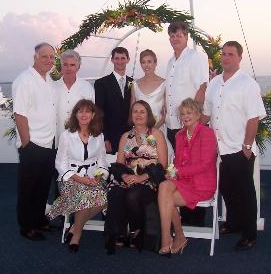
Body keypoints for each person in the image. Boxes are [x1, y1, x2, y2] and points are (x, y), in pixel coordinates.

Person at [202, 40, 266, 251]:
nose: (226, 57)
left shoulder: (248, 84)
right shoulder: (214, 83)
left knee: (245, 193)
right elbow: (206, 113)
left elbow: (253, 119)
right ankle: (233, 223)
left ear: (239, 57)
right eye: (224, 54)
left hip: (239, 149)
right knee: (227, 190)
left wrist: (246, 147)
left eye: (230, 54)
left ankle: (249, 235)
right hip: (219, 149)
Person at [104, 100, 168, 254]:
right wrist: (125, 175)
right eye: (135, 111)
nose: (138, 115)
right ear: (131, 115)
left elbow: (163, 165)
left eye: (142, 112)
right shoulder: (126, 136)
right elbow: (119, 164)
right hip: (128, 178)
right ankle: (119, 232)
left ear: (148, 115)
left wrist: (142, 178)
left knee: (133, 195)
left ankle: (137, 230)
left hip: (150, 179)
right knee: (115, 192)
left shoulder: (157, 134)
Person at [47, 99, 108, 253]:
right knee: (84, 196)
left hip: (92, 178)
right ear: (75, 114)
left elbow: (102, 162)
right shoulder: (66, 135)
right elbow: (60, 163)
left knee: (105, 199)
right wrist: (79, 178)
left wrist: (99, 176)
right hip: (70, 179)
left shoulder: (99, 135)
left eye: (87, 111)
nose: (83, 114)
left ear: (93, 115)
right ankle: (77, 235)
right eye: (80, 111)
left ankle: (75, 226)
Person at [157, 98, 217, 256]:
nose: (185, 116)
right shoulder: (179, 135)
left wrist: (178, 172)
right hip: (183, 181)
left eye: (189, 112)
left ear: (198, 114)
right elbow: (177, 162)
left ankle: (175, 237)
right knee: (164, 186)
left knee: (165, 199)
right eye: (182, 113)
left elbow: (205, 164)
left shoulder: (207, 133)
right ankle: (168, 236)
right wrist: (172, 172)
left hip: (202, 184)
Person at [165, 21, 209, 226]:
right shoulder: (169, 62)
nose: (176, 38)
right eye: (172, 35)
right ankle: (180, 215)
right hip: (174, 125)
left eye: (179, 35)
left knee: (195, 169)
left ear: (187, 36)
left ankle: (195, 218)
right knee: (180, 167)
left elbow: (202, 87)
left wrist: (196, 120)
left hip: (191, 124)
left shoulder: (196, 57)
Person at [12, 42, 57, 241]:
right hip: (33, 145)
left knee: (42, 187)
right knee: (28, 188)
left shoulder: (47, 80)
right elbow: (20, 114)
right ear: (35, 57)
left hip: (49, 144)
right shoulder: (24, 80)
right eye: (44, 56)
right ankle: (27, 226)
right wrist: (26, 144)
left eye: (51, 57)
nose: (48, 60)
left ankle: (39, 219)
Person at [94, 47, 133, 155]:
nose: (120, 61)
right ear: (112, 60)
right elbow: (99, 113)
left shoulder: (133, 83)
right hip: (110, 138)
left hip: (129, 137)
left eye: (123, 58)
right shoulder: (101, 83)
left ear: (128, 60)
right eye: (116, 58)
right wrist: (105, 138)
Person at [54, 50, 95, 143]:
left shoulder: (87, 87)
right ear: (61, 66)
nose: (68, 68)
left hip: (81, 139)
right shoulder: (53, 87)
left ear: (78, 67)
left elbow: (92, 114)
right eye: (65, 64)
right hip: (58, 139)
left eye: (72, 65)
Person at [130, 49, 165, 129]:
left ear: (155, 63)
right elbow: (132, 111)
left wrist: (154, 130)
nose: (146, 65)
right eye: (143, 62)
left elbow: (167, 112)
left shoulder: (164, 84)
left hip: (158, 129)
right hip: (139, 130)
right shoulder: (135, 84)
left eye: (149, 62)